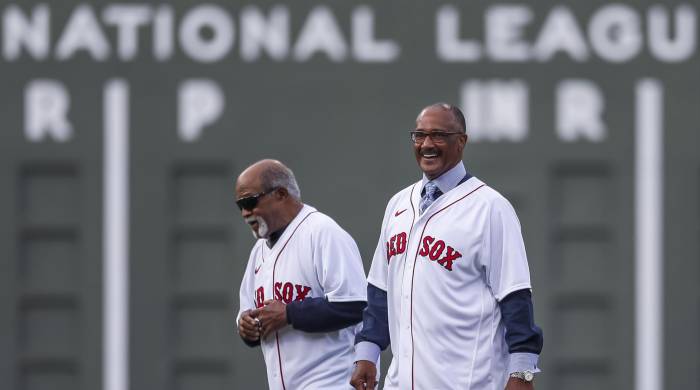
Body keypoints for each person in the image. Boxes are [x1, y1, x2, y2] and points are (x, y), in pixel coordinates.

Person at [350, 104, 544, 390]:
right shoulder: (398, 204)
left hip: (468, 382)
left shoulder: (491, 208)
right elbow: (381, 292)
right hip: (401, 382)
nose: (427, 144)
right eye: (419, 135)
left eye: (439, 135)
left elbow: (515, 296)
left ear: (461, 141)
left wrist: (522, 373)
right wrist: (367, 354)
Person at [235, 159, 368, 389]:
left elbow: (356, 305)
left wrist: (289, 313)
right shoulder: (258, 252)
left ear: (281, 194)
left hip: (333, 383)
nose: (245, 212)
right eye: (240, 206)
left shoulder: (322, 232)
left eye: (250, 201)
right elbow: (247, 316)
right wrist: (247, 327)